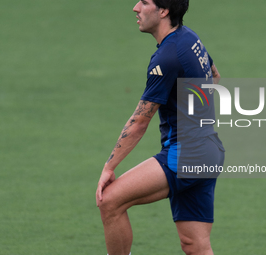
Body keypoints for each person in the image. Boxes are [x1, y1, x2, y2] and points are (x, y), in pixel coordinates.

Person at [95, 0, 225, 254]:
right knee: (195, 246)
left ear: (163, 11)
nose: (135, 7)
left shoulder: (167, 57)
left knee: (109, 201)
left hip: (187, 154)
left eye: (144, 2)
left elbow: (139, 122)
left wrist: (109, 167)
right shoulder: (189, 38)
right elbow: (214, 75)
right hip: (209, 150)